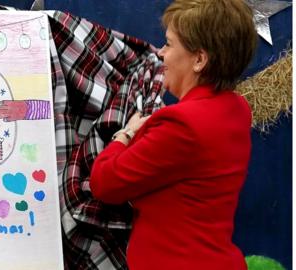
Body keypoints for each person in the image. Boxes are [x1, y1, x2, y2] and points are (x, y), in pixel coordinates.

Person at [89, 0, 257, 269]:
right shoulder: (237, 109)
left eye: (168, 44)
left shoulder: (181, 124)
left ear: (199, 59)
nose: (161, 53)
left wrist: (127, 133)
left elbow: (104, 183)